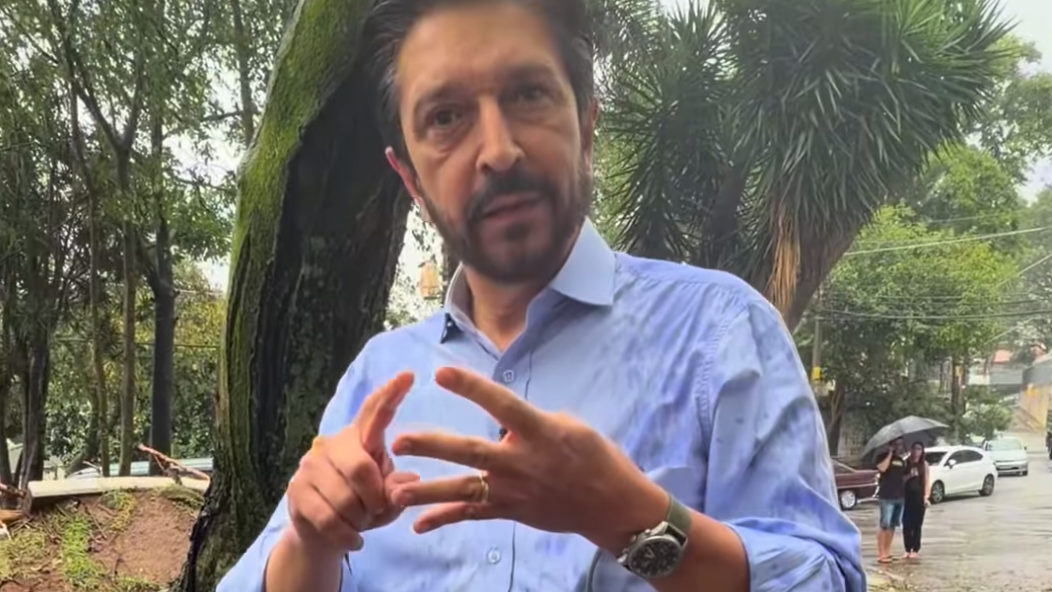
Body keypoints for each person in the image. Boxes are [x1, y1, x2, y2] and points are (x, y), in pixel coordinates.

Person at [217, 1, 863, 591]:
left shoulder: (722, 334)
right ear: (409, 178)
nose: (499, 151)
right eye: (445, 117)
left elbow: (825, 580)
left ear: (586, 125)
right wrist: (312, 542)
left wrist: (628, 518)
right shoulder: (377, 379)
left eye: (528, 94)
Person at [875, 439, 906, 563]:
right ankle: (881, 554)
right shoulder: (882, 457)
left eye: (900, 444)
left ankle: (887, 552)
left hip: (899, 496)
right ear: (890, 445)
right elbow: (882, 469)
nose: (899, 446)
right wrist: (890, 454)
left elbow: (902, 477)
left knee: (892, 525)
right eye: (896, 444)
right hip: (886, 496)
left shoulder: (901, 460)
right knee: (884, 524)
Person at [901, 442, 930, 559]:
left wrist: (926, 497)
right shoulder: (905, 463)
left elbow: (927, 481)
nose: (916, 451)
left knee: (917, 524)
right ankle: (907, 549)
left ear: (922, 452)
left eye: (919, 449)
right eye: (914, 448)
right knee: (907, 524)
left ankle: (915, 549)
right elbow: (900, 481)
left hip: (919, 497)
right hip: (906, 497)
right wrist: (909, 476)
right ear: (911, 450)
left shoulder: (924, 464)